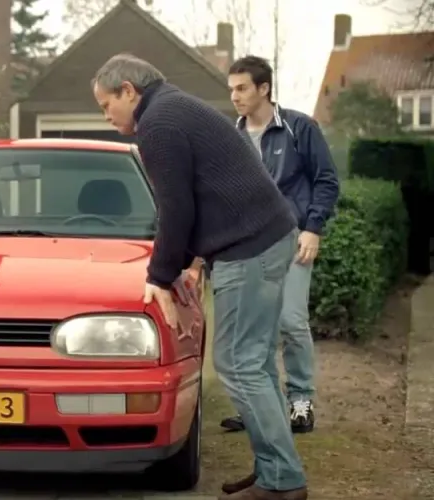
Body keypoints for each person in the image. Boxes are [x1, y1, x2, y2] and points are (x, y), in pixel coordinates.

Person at [91, 54, 307, 500]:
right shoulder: (173, 107)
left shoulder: (158, 123)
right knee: (255, 362)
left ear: (128, 91)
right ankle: (276, 469)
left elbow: (175, 208)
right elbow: (194, 197)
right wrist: (184, 262)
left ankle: (282, 482)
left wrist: (159, 275)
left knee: (239, 363)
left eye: (106, 105)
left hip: (249, 248)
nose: (105, 115)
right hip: (267, 238)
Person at [222, 55, 340, 437]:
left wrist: (313, 228)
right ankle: (262, 404)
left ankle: (301, 400)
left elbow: (326, 180)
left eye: (242, 88)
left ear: (264, 88)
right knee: (255, 329)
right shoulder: (232, 137)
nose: (234, 96)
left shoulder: (299, 127)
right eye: (231, 89)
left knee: (290, 320)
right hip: (249, 246)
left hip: (293, 240)